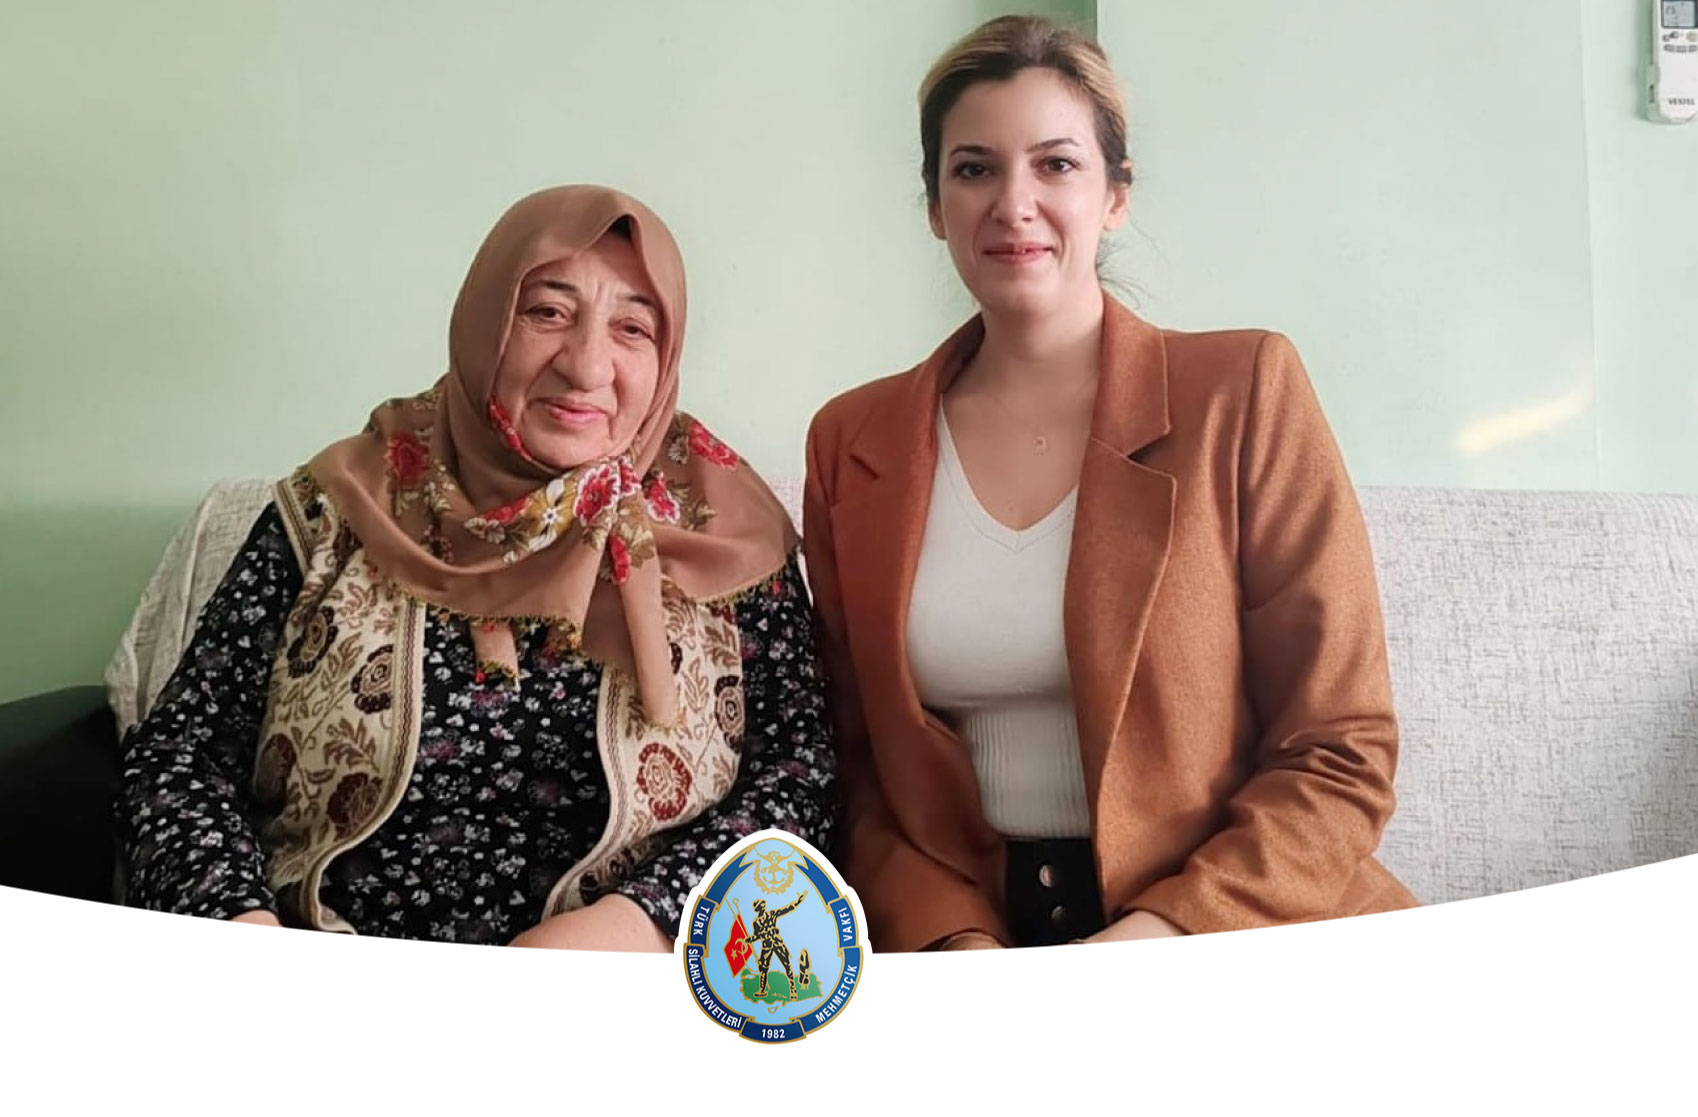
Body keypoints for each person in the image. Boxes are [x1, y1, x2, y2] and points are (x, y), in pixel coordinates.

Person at [802, 15, 1417, 952]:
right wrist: (956, 943)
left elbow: (1340, 750)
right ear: (934, 205)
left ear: (1116, 193)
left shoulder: (1244, 391)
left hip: (1234, 929)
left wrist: (1153, 941)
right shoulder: (852, 441)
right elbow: (858, 773)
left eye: (1056, 164)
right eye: (974, 169)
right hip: (977, 951)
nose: (1014, 203)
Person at [115, 185, 834, 950]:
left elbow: (800, 777)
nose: (587, 364)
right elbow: (179, 756)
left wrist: (644, 921)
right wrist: (246, 936)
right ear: (486, 318)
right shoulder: (337, 506)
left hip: (622, 988)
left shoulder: (728, 529)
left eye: (633, 327)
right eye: (547, 312)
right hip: (327, 972)